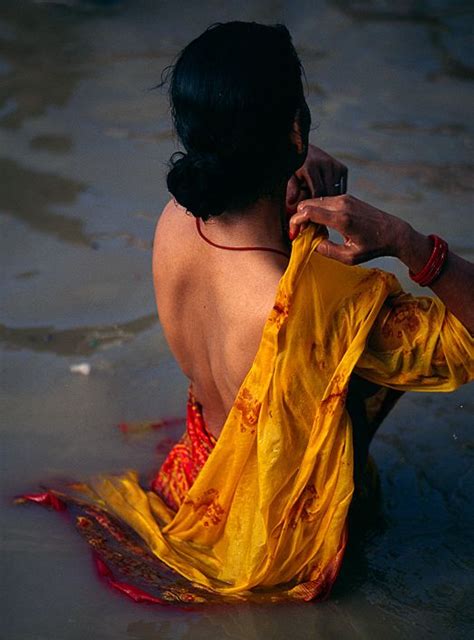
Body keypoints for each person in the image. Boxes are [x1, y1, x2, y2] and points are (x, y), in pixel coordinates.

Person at [18, 21, 473, 606]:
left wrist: (289, 153)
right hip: (281, 547)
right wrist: (407, 241)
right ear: (293, 129)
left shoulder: (176, 221)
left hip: (193, 486)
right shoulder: (320, 301)